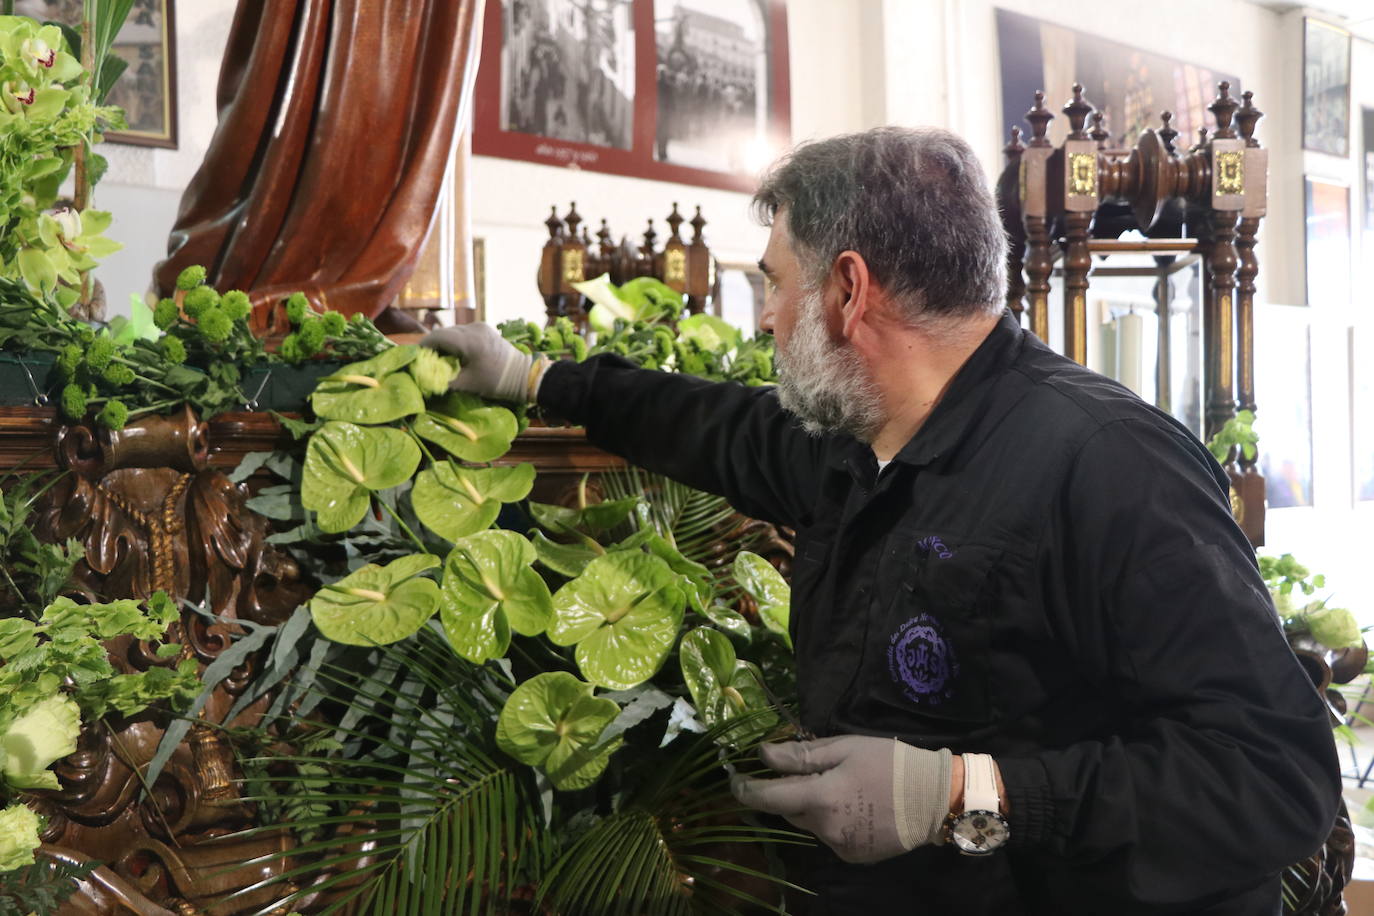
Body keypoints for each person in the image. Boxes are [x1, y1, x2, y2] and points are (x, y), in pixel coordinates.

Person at [422, 126, 1341, 915]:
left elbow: (1272, 778)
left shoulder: (1106, 465)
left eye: (776, 285)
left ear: (848, 291)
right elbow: (715, 427)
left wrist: (968, 793)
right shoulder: (859, 441)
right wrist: (537, 381)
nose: (769, 321)